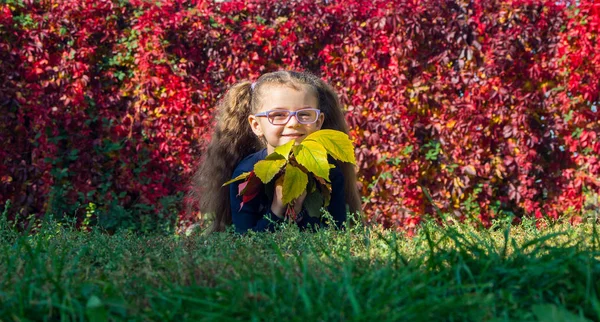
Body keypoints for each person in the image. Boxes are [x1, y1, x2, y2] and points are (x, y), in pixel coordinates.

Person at [190, 71, 362, 234]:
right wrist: (277, 209)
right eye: (279, 115)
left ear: (318, 122)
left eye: (305, 114)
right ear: (256, 125)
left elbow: (338, 234)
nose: (294, 123)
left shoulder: (329, 172)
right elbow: (246, 242)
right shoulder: (247, 175)